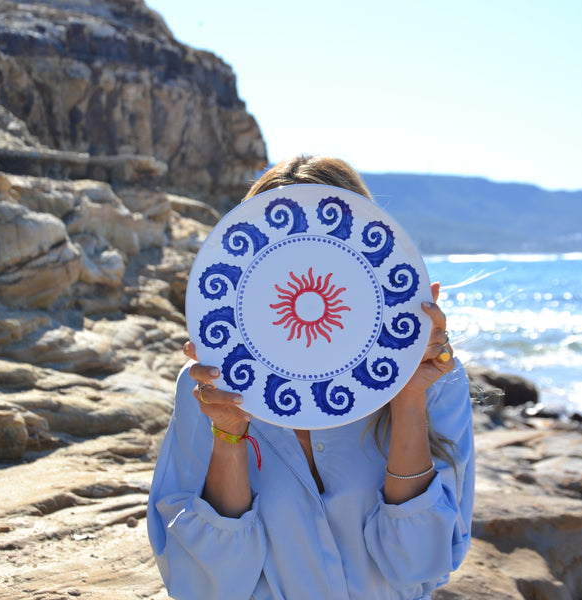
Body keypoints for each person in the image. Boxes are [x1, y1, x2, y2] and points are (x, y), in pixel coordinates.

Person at [147, 155, 475, 600]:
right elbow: (210, 586)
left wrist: (407, 398)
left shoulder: (435, 381)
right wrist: (228, 437)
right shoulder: (210, 388)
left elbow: (418, 564)